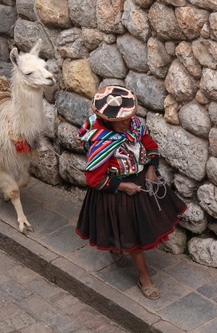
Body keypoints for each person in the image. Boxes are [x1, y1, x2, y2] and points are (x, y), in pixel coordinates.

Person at [76, 86, 187, 300]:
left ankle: (118, 249)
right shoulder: (102, 141)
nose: (127, 123)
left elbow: (150, 146)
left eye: (129, 117)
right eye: (122, 120)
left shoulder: (135, 126)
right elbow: (93, 179)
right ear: (108, 121)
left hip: (141, 182)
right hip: (115, 189)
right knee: (132, 235)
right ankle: (144, 277)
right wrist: (122, 186)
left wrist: (151, 169)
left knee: (132, 229)